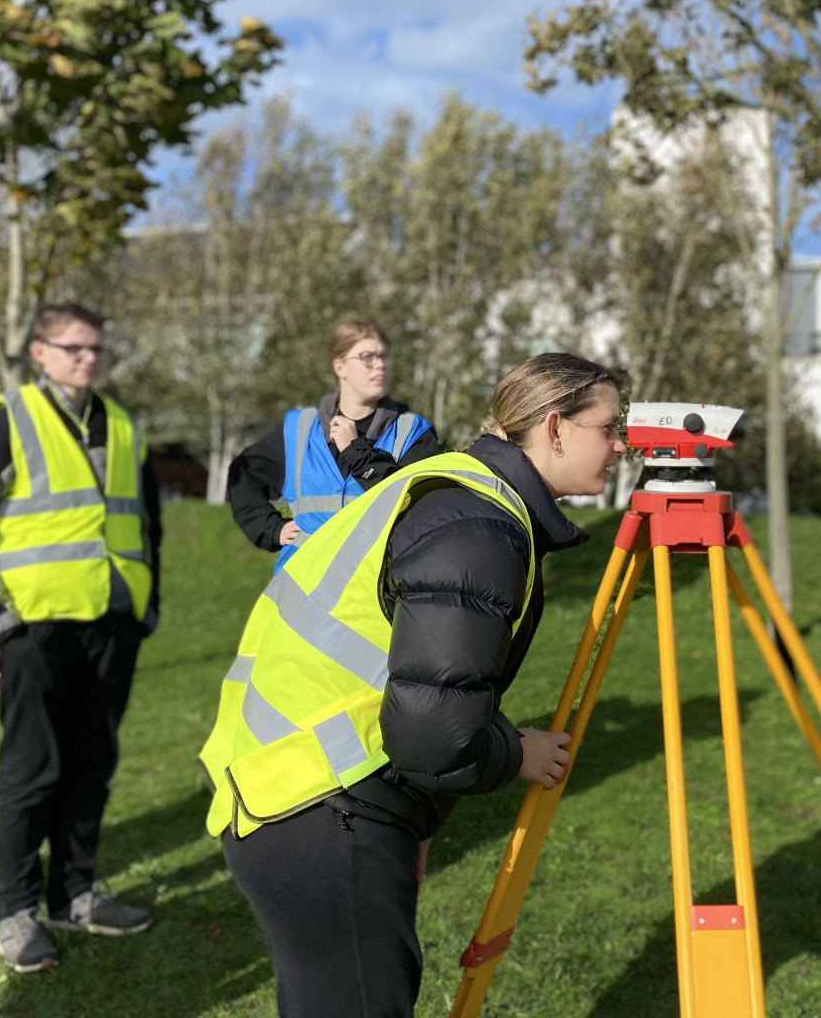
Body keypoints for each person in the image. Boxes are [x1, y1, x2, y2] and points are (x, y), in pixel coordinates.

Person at [200, 351, 627, 1018]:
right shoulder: (475, 525)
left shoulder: (456, 487)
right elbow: (433, 736)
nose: (622, 445)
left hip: (302, 792)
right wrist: (516, 754)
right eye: (610, 427)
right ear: (554, 427)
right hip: (322, 806)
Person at [0, 303, 161, 973]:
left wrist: (145, 607)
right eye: (72, 348)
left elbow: (146, 524)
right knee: (31, 774)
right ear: (39, 353)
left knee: (91, 767)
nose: (87, 359)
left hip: (112, 628)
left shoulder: (123, 425)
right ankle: (16, 912)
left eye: (95, 348)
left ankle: (77, 894)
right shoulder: (8, 422)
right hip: (35, 632)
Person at [228, 318, 439, 574]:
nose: (380, 365)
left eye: (384, 357)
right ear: (340, 367)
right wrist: (272, 529)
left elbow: (418, 512)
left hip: (370, 599)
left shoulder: (412, 433)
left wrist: (356, 451)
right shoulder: (298, 429)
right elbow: (243, 476)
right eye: (367, 357)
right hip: (299, 600)